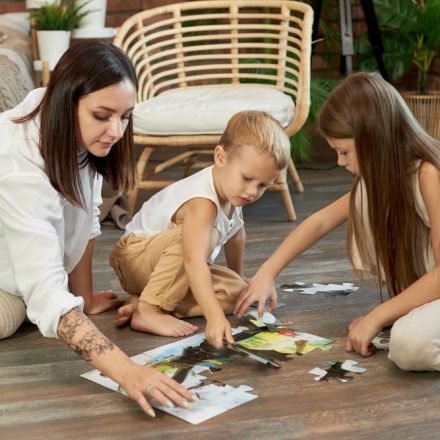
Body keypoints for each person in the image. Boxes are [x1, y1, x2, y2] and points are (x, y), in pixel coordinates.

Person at [0, 41, 195, 416]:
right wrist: (128, 372)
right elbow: (45, 292)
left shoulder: (70, 123)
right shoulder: (18, 162)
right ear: (66, 101)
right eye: (103, 115)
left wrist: (84, 297)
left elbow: (83, 218)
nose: (117, 131)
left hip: (21, 268)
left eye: (125, 116)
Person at [235, 72, 440, 371]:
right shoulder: (380, 179)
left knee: (409, 346)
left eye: (344, 152)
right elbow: (319, 222)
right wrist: (267, 272)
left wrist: (379, 315)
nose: (341, 162)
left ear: (375, 140)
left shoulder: (428, 175)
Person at [109, 111, 291, 349]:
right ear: (220, 157)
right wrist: (214, 317)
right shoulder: (203, 202)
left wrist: (239, 277)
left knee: (237, 294)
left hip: (166, 270)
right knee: (203, 244)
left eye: (262, 185)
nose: (252, 191)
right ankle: (148, 310)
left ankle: (143, 299)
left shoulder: (233, 192)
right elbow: (193, 260)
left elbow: (236, 235)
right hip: (135, 258)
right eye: (247, 178)